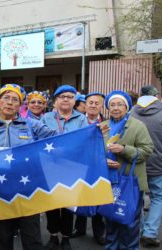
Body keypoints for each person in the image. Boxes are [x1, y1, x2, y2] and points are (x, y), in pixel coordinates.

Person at [0, 83, 58, 250]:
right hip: (1, 190)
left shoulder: (31, 125)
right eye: (6, 98)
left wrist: (91, 132)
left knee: (32, 239)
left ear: (20, 105)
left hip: (28, 190)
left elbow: (59, 137)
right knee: (4, 238)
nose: (10, 102)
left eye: (15, 99)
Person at [101, 90, 153, 249]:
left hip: (131, 183)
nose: (116, 108)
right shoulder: (103, 126)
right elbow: (93, 152)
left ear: (127, 107)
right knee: (110, 219)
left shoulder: (138, 126)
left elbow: (147, 150)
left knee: (129, 223)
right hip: (108, 181)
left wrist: (124, 150)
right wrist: (104, 161)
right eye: (112, 105)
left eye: (120, 104)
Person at [40, 85, 88, 250]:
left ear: (74, 100)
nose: (66, 99)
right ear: (56, 100)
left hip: (71, 168)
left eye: (69, 96)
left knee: (68, 206)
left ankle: (66, 238)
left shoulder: (82, 119)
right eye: (62, 96)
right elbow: (38, 139)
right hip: (49, 167)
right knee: (51, 205)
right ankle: (53, 236)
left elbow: (84, 141)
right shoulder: (46, 118)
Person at [131, 85, 162, 248]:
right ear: (156, 96)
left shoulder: (131, 112)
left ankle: (139, 230)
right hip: (159, 163)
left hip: (135, 161)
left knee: (136, 197)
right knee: (157, 197)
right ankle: (150, 233)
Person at [71, 92, 106, 245]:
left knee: (98, 197)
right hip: (80, 164)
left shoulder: (107, 123)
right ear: (85, 104)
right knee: (80, 196)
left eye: (96, 103)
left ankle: (99, 231)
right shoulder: (77, 121)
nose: (92, 105)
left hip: (99, 166)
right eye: (90, 102)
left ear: (101, 106)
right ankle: (79, 228)